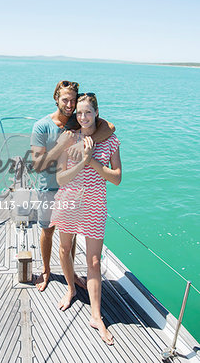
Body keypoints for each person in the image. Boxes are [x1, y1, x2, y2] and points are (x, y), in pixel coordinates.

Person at [50, 92, 122, 345]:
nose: (82, 117)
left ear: (96, 113)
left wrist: (92, 162)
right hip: (69, 200)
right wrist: (82, 163)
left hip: (94, 204)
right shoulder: (68, 139)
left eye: (87, 112)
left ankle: (95, 315)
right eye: (79, 113)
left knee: (93, 262)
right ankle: (70, 289)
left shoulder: (111, 141)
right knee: (65, 249)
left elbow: (116, 178)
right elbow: (61, 179)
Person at [30, 81, 115, 292]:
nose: (69, 105)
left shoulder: (79, 120)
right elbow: (38, 165)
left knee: (71, 234)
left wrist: (80, 143)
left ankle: (72, 272)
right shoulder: (42, 126)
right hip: (49, 187)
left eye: (72, 100)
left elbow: (109, 127)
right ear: (56, 98)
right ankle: (47, 269)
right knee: (48, 230)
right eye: (65, 100)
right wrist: (61, 146)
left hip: (73, 189)